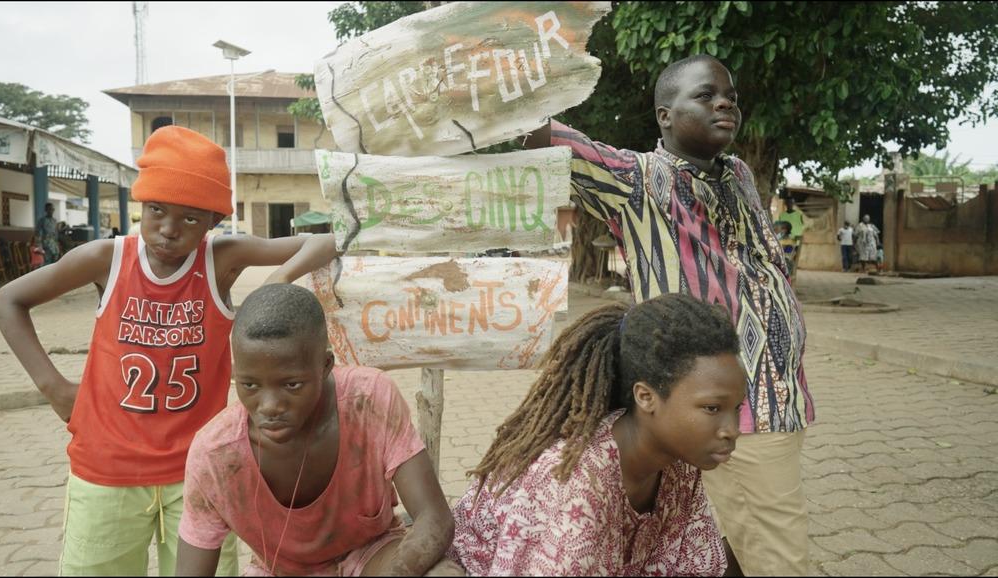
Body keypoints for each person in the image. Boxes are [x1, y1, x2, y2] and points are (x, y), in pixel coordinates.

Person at [0, 126, 338, 576]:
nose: (170, 230)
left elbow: (326, 240)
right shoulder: (107, 259)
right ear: (142, 204)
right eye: (157, 211)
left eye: (191, 218)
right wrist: (54, 387)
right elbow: (7, 301)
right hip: (106, 469)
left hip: (199, 470)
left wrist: (279, 278)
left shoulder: (220, 258)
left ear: (212, 222)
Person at [524, 54, 814, 575]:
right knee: (778, 556)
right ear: (664, 115)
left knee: (714, 545)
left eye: (731, 96)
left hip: (774, 400)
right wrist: (491, 78)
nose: (725, 102)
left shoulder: (740, 175)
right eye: (705, 95)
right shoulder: (638, 180)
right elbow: (545, 137)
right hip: (731, 413)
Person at [175, 284, 462, 577]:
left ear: (325, 365)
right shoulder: (216, 455)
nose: (270, 406)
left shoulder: (369, 400)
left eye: (292, 385)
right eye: (249, 385)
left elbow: (434, 518)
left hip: (373, 556)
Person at [448, 294, 746, 576]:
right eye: (712, 408)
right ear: (645, 397)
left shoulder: (680, 465)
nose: (732, 430)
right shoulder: (578, 482)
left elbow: (694, 567)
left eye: (737, 408)